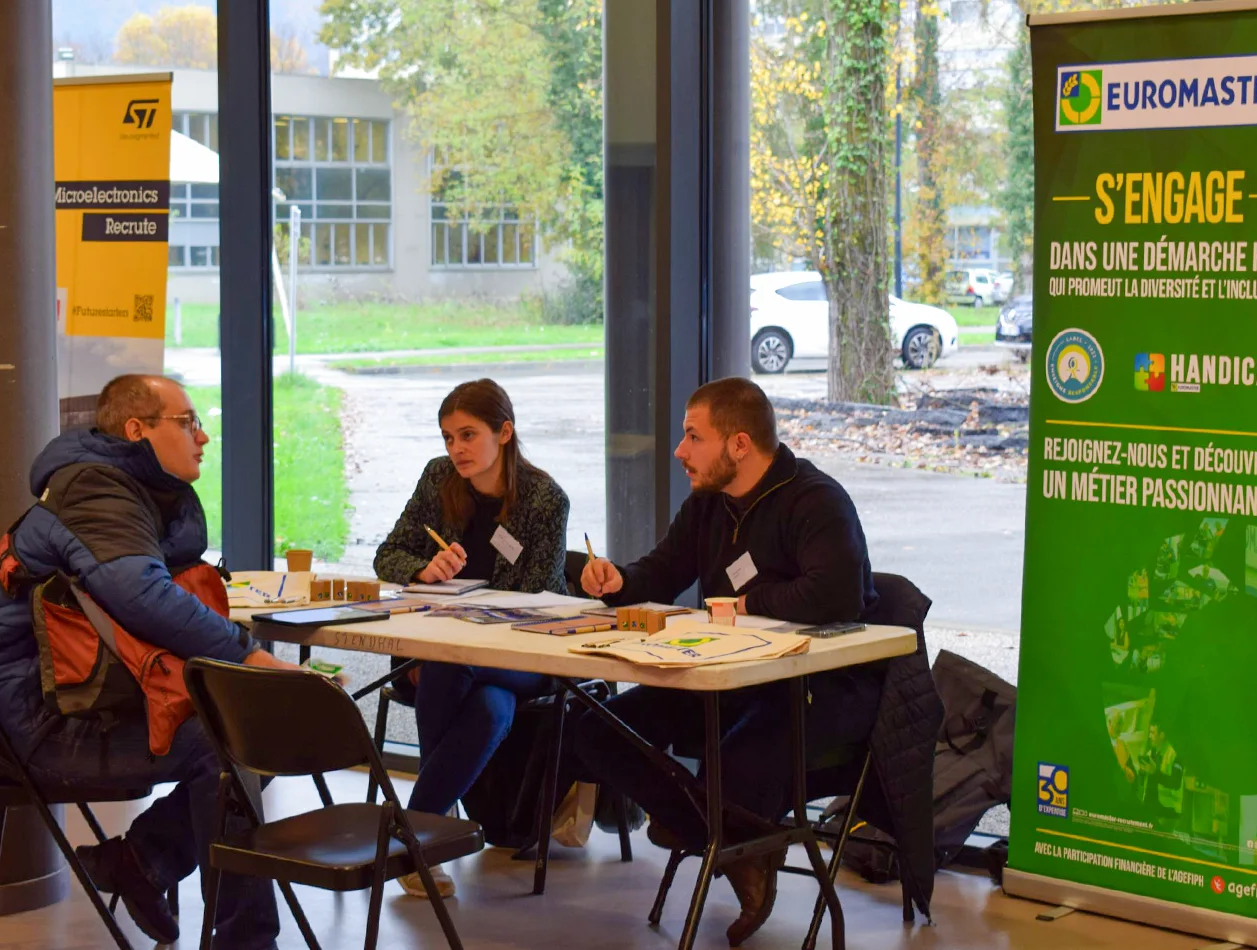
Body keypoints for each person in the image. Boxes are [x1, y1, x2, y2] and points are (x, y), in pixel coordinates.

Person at [0, 375, 296, 949]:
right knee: (231, 743)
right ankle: (244, 940)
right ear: (137, 430)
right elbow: (141, 595)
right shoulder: (96, 491)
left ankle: (141, 861)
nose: (204, 437)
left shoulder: (122, 486)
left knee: (249, 732)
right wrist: (250, 656)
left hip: (71, 696)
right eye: (189, 422)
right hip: (36, 724)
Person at [573, 377, 884, 946]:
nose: (679, 450)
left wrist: (746, 603)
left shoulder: (815, 500)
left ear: (739, 445)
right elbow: (661, 573)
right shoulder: (709, 506)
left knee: (733, 757)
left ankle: (716, 832)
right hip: (731, 679)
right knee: (596, 728)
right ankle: (734, 842)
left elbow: (835, 595)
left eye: (694, 436)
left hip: (820, 687)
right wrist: (619, 581)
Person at [374, 378, 570, 898]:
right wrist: (425, 569)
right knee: (488, 708)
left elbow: (535, 601)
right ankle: (426, 840)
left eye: (467, 435)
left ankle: (413, 836)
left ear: (504, 432)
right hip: (460, 658)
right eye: (447, 437)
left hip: (529, 653)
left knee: (448, 663)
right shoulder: (439, 478)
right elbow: (388, 554)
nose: (455, 449)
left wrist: (467, 618)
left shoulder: (545, 499)